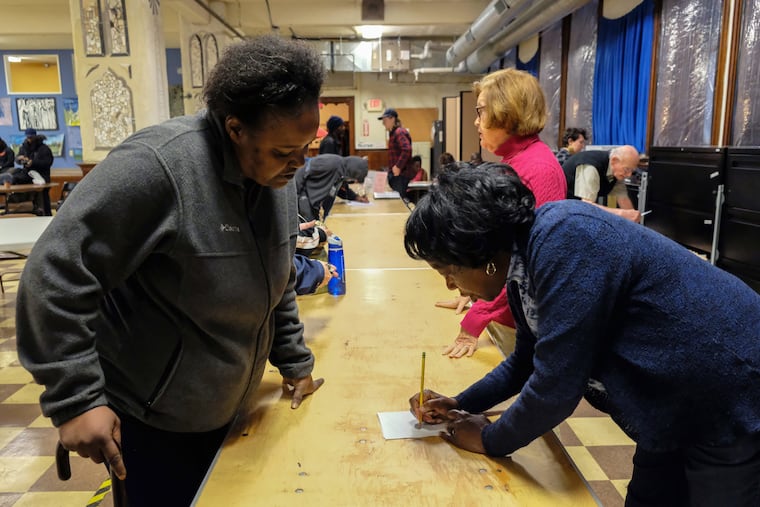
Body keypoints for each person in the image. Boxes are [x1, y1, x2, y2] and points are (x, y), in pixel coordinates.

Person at [15, 34, 325, 507]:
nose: (299, 164)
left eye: (308, 146)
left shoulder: (273, 174)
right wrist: (75, 398)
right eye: (286, 152)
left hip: (231, 409)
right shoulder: (157, 168)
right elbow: (53, 272)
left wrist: (294, 360)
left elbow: (275, 278)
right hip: (154, 422)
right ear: (236, 129)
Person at [407, 168, 760, 507]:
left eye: (449, 271)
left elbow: (556, 387)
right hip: (669, 403)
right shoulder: (521, 263)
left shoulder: (566, 238)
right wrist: (461, 403)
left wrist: (489, 439)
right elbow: (528, 360)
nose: (451, 285)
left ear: (480, 253)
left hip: (729, 393)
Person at [437, 68, 566, 359]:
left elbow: (522, 267)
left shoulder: (535, 170)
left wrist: (474, 320)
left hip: (519, 323)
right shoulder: (515, 163)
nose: (476, 121)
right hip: (505, 314)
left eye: (480, 111)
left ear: (506, 113)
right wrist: (472, 292)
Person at [562, 145, 641, 222]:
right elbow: (587, 206)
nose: (629, 175)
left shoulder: (616, 173)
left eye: (632, 171)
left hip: (576, 208)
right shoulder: (591, 167)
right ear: (614, 160)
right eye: (627, 169)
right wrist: (622, 214)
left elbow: (623, 200)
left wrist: (634, 220)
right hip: (562, 206)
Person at [295, 153, 369, 223]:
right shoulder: (330, 163)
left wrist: (356, 197)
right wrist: (295, 195)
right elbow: (302, 171)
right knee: (309, 226)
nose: (353, 181)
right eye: (354, 179)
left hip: (312, 200)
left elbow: (339, 190)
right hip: (302, 192)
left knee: (316, 226)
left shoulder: (342, 171)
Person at [378, 108, 415, 197]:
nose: (383, 123)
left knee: (399, 200)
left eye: (385, 120)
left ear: (392, 119)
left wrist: (398, 166)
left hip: (400, 175)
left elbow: (406, 149)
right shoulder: (393, 133)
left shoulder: (399, 132)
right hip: (396, 174)